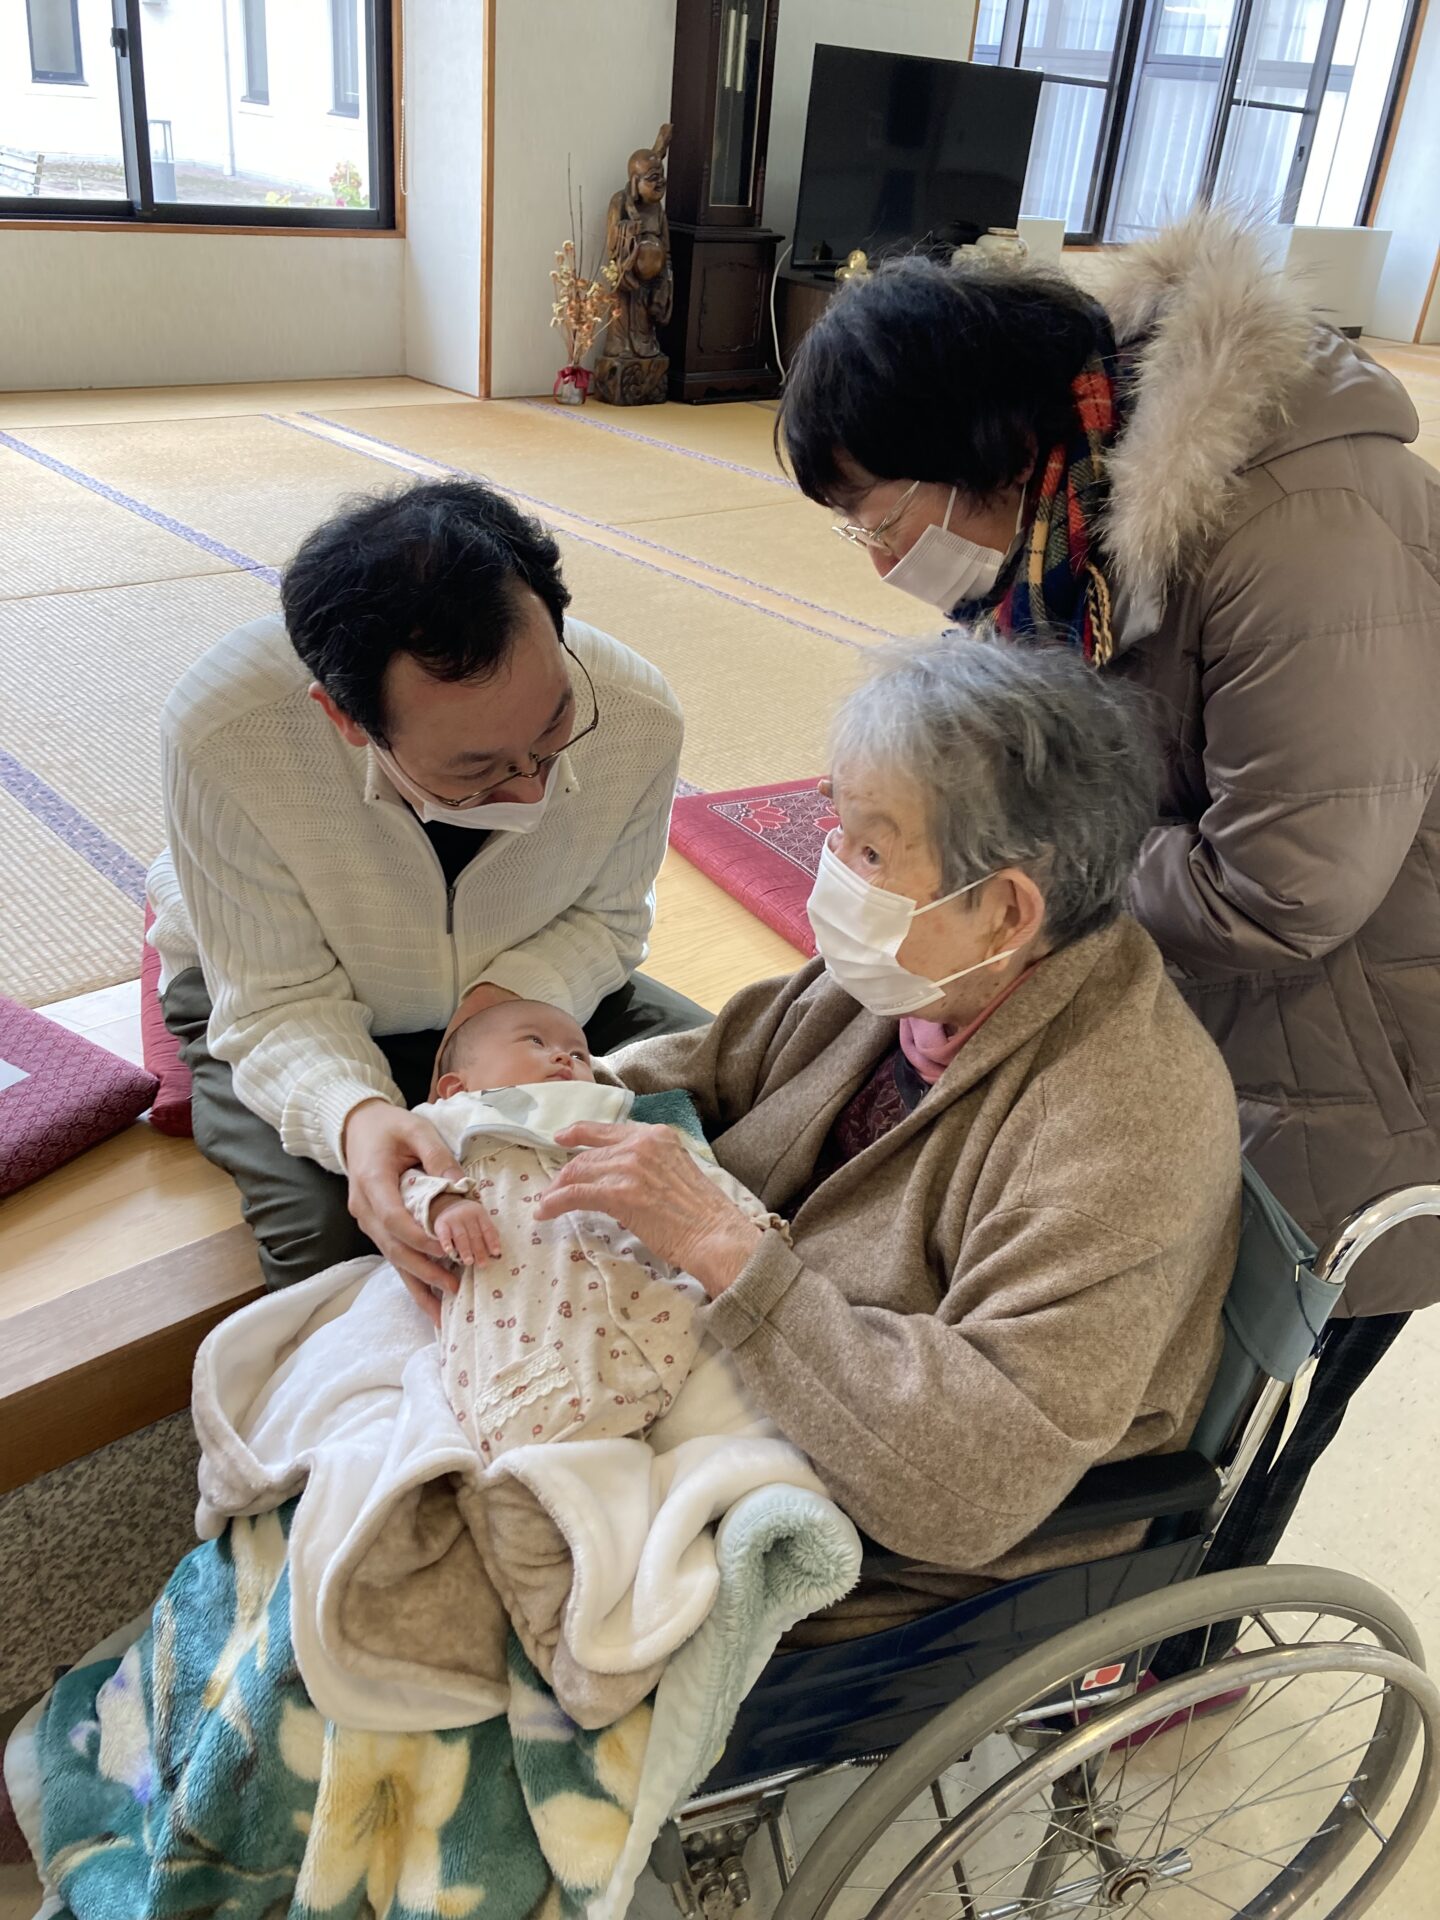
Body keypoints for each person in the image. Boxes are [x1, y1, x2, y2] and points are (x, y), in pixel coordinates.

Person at [776, 211, 1440, 1576]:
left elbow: (1285, 885)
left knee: (1250, 1405)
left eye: (880, 518)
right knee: (1116, 1333)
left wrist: (1029, 872)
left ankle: (1194, 1636)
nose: (880, 558)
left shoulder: (1301, 529)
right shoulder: (1058, 526)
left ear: (990, 453)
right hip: (1198, 991)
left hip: (1364, 1033)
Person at [529, 640, 1241, 1631]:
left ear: (1006, 911)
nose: (831, 867)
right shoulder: (923, 973)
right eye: (838, 823)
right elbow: (716, 1065)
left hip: (896, 1544)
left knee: (508, 1561)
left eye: (870, 852)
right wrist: (528, 1112)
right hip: (747, 1395)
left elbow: (974, 1481)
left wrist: (728, 1253)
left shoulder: (1123, 1128)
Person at [147, 478, 704, 1301]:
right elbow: (272, 997)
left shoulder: (638, 712)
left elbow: (609, 920)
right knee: (334, 1239)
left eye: (553, 731)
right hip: (295, 995)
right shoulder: (226, 733)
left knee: (722, 1101)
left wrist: (500, 1011)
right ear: (344, 717)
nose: (531, 789)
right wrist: (356, 1118)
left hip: (536, 991)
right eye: (476, 769)